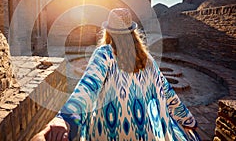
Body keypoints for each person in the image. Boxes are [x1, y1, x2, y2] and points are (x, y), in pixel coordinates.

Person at [32, 8, 200, 141]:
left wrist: (65, 119)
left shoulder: (105, 53)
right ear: (132, 32)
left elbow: (88, 87)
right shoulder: (147, 59)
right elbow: (168, 93)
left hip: (108, 132)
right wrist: (187, 120)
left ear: (109, 31)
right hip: (145, 132)